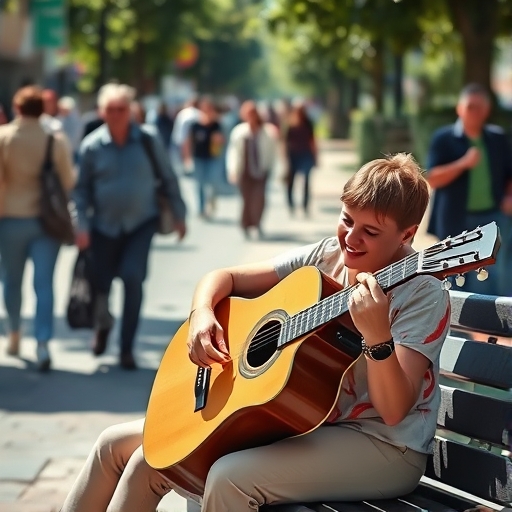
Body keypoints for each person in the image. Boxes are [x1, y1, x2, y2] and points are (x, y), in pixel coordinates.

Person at [61, 152, 450, 512]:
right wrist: (201, 315)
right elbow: (225, 278)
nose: (350, 238)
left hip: (382, 446)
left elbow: (395, 410)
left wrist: (377, 337)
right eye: (347, 219)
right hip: (302, 422)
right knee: (121, 448)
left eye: (370, 231)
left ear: (406, 234)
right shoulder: (326, 257)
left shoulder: (422, 293)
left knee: (230, 477)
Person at [74, 83, 187, 370]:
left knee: (132, 277)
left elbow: (168, 176)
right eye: (110, 109)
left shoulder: (148, 140)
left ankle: (126, 348)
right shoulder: (92, 146)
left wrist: (179, 214)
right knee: (101, 283)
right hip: (103, 226)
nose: (115, 115)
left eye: (121, 109)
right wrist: (82, 225)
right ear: (101, 112)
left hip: (141, 224)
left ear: (131, 111)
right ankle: (103, 325)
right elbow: (81, 191)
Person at [0, 85, 75, 371]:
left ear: (17, 108)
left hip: (10, 219)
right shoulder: (54, 140)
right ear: (43, 109)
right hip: (46, 222)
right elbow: (68, 181)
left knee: (11, 281)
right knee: (44, 284)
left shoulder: (4, 138)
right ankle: (43, 343)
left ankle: (15, 332)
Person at [426, 83, 512, 296]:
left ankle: (496, 327)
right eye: (470, 106)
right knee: (455, 277)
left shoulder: (496, 138)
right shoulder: (444, 138)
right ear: (459, 108)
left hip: (494, 218)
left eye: (481, 107)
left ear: (488, 110)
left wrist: (509, 197)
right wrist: (463, 163)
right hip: (455, 221)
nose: (476, 112)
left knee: (496, 276)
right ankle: (456, 328)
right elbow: (432, 178)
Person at [226, 100, 280, 239]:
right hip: (245, 172)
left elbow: (273, 152)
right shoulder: (239, 132)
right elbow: (233, 152)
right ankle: (245, 225)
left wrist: (272, 168)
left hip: (261, 171)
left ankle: (257, 223)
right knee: (246, 199)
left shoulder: (267, 132)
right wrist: (232, 170)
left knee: (259, 199)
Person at [183, 96, 224, 219]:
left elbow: (221, 140)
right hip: (198, 157)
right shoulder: (195, 124)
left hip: (212, 157)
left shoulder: (216, 124)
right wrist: (187, 156)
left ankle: (212, 201)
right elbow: (189, 141)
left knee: (212, 182)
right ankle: (201, 209)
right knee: (199, 184)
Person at [284, 102, 318, 217]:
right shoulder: (290, 124)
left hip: (305, 155)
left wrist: (315, 156)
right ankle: (291, 205)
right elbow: (285, 142)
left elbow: (312, 141)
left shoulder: (308, 123)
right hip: (293, 155)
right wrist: (285, 158)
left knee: (306, 182)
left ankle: (305, 206)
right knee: (291, 181)